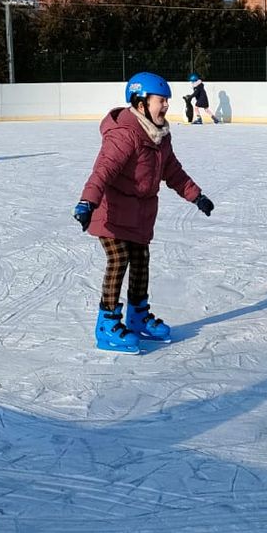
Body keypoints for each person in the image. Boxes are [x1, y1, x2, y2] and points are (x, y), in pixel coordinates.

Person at [74, 72, 213, 352]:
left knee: (141, 259)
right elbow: (104, 170)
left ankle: (137, 316)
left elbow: (173, 172)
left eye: (166, 101)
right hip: (111, 212)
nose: (165, 106)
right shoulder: (125, 135)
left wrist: (197, 196)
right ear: (140, 104)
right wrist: (87, 202)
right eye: (160, 101)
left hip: (139, 215)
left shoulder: (160, 136)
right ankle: (107, 324)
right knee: (119, 257)